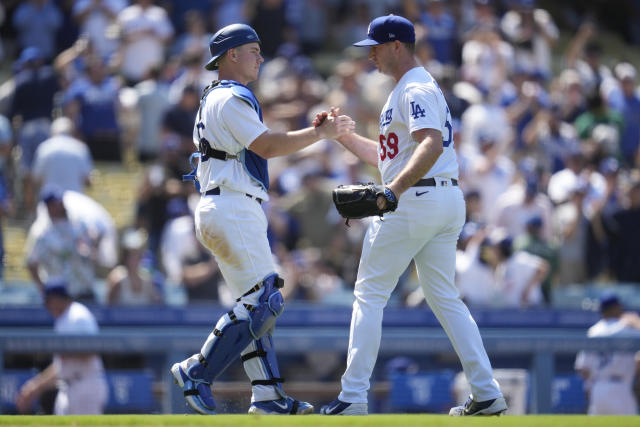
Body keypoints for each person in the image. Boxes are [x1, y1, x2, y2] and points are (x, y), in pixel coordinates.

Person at [316, 15, 506, 416]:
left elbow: (430, 144)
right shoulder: (407, 88)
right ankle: (486, 392)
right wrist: (345, 136)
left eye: (376, 48)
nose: (370, 57)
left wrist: (393, 191)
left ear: (397, 45)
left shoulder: (415, 86)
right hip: (440, 199)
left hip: (416, 199)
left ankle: (352, 396)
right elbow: (389, 159)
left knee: (369, 293)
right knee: (445, 298)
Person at [169, 23, 354, 416]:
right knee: (264, 300)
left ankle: (268, 396)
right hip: (232, 205)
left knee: (255, 308)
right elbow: (267, 146)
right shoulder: (232, 97)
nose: (261, 56)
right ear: (230, 55)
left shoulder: (217, 97)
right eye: (253, 49)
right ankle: (196, 370)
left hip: (226, 203)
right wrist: (320, 134)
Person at [15, 280, 108, 415]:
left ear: (57, 298)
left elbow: (92, 350)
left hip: (86, 386)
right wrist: (35, 387)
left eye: (48, 301)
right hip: (67, 387)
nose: (47, 306)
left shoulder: (78, 316)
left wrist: (69, 352)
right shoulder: (63, 319)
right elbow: (61, 366)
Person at [574, 294, 640, 415]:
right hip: (621, 388)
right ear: (616, 308)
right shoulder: (627, 329)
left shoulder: (594, 331)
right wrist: (637, 323)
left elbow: (583, 368)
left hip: (598, 388)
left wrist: (590, 386)